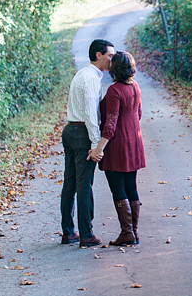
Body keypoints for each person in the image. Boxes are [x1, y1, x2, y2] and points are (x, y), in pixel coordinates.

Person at [60, 38, 115, 247]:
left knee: (70, 184)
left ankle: (68, 232)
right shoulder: (91, 78)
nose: (112, 60)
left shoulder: (82, 74)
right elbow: (92, 114)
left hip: (70, 130)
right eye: (110, 56)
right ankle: (86, 234)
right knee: (84, 185)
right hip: (83, 133)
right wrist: (95, 144)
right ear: (98, 55)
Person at [91, 52, 146, 246]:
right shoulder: (135, 87)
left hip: (118, 145)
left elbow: (110, 124)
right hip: (134, 142)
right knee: (131, 186)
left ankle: (127, 233)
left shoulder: (114, 90)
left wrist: (99, 148)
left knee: (118, 188)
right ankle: (134, 232)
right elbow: (138, 113)